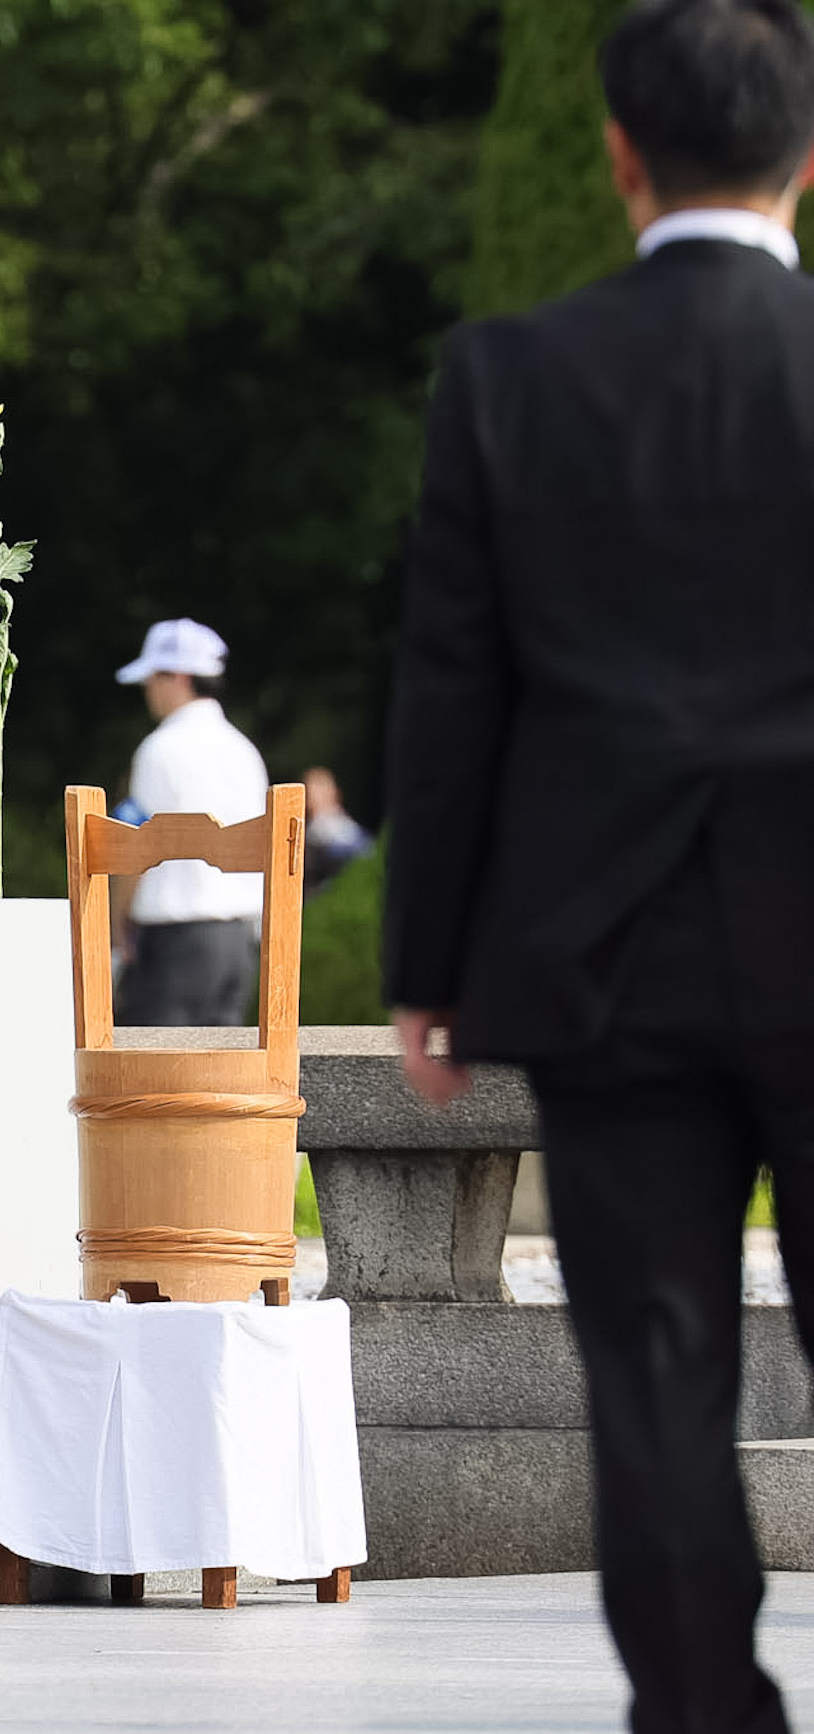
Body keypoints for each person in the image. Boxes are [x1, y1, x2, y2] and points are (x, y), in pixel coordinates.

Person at [388, 4, 814, 1727]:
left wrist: (428, 962)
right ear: (808, 156)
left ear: (621, 157)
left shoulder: (512, 374)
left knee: (653, 1366)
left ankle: (706, 1706)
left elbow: (454, 681)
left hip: (603, 946)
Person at [109, 617, 269, 1025]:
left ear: (176, 677)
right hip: (237, 946)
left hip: (175, 945)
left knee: (155, 1083)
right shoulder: (244, 751)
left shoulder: (161, 749)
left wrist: (115, 925)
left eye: (151, 678)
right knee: (217, 1084)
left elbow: (136, 848)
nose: (148, 690)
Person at [302, 766, 375, 895]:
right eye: (311, 793)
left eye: (320, 790)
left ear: (334, 793)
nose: (314, 798)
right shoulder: (306, 832)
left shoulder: (349, 831)